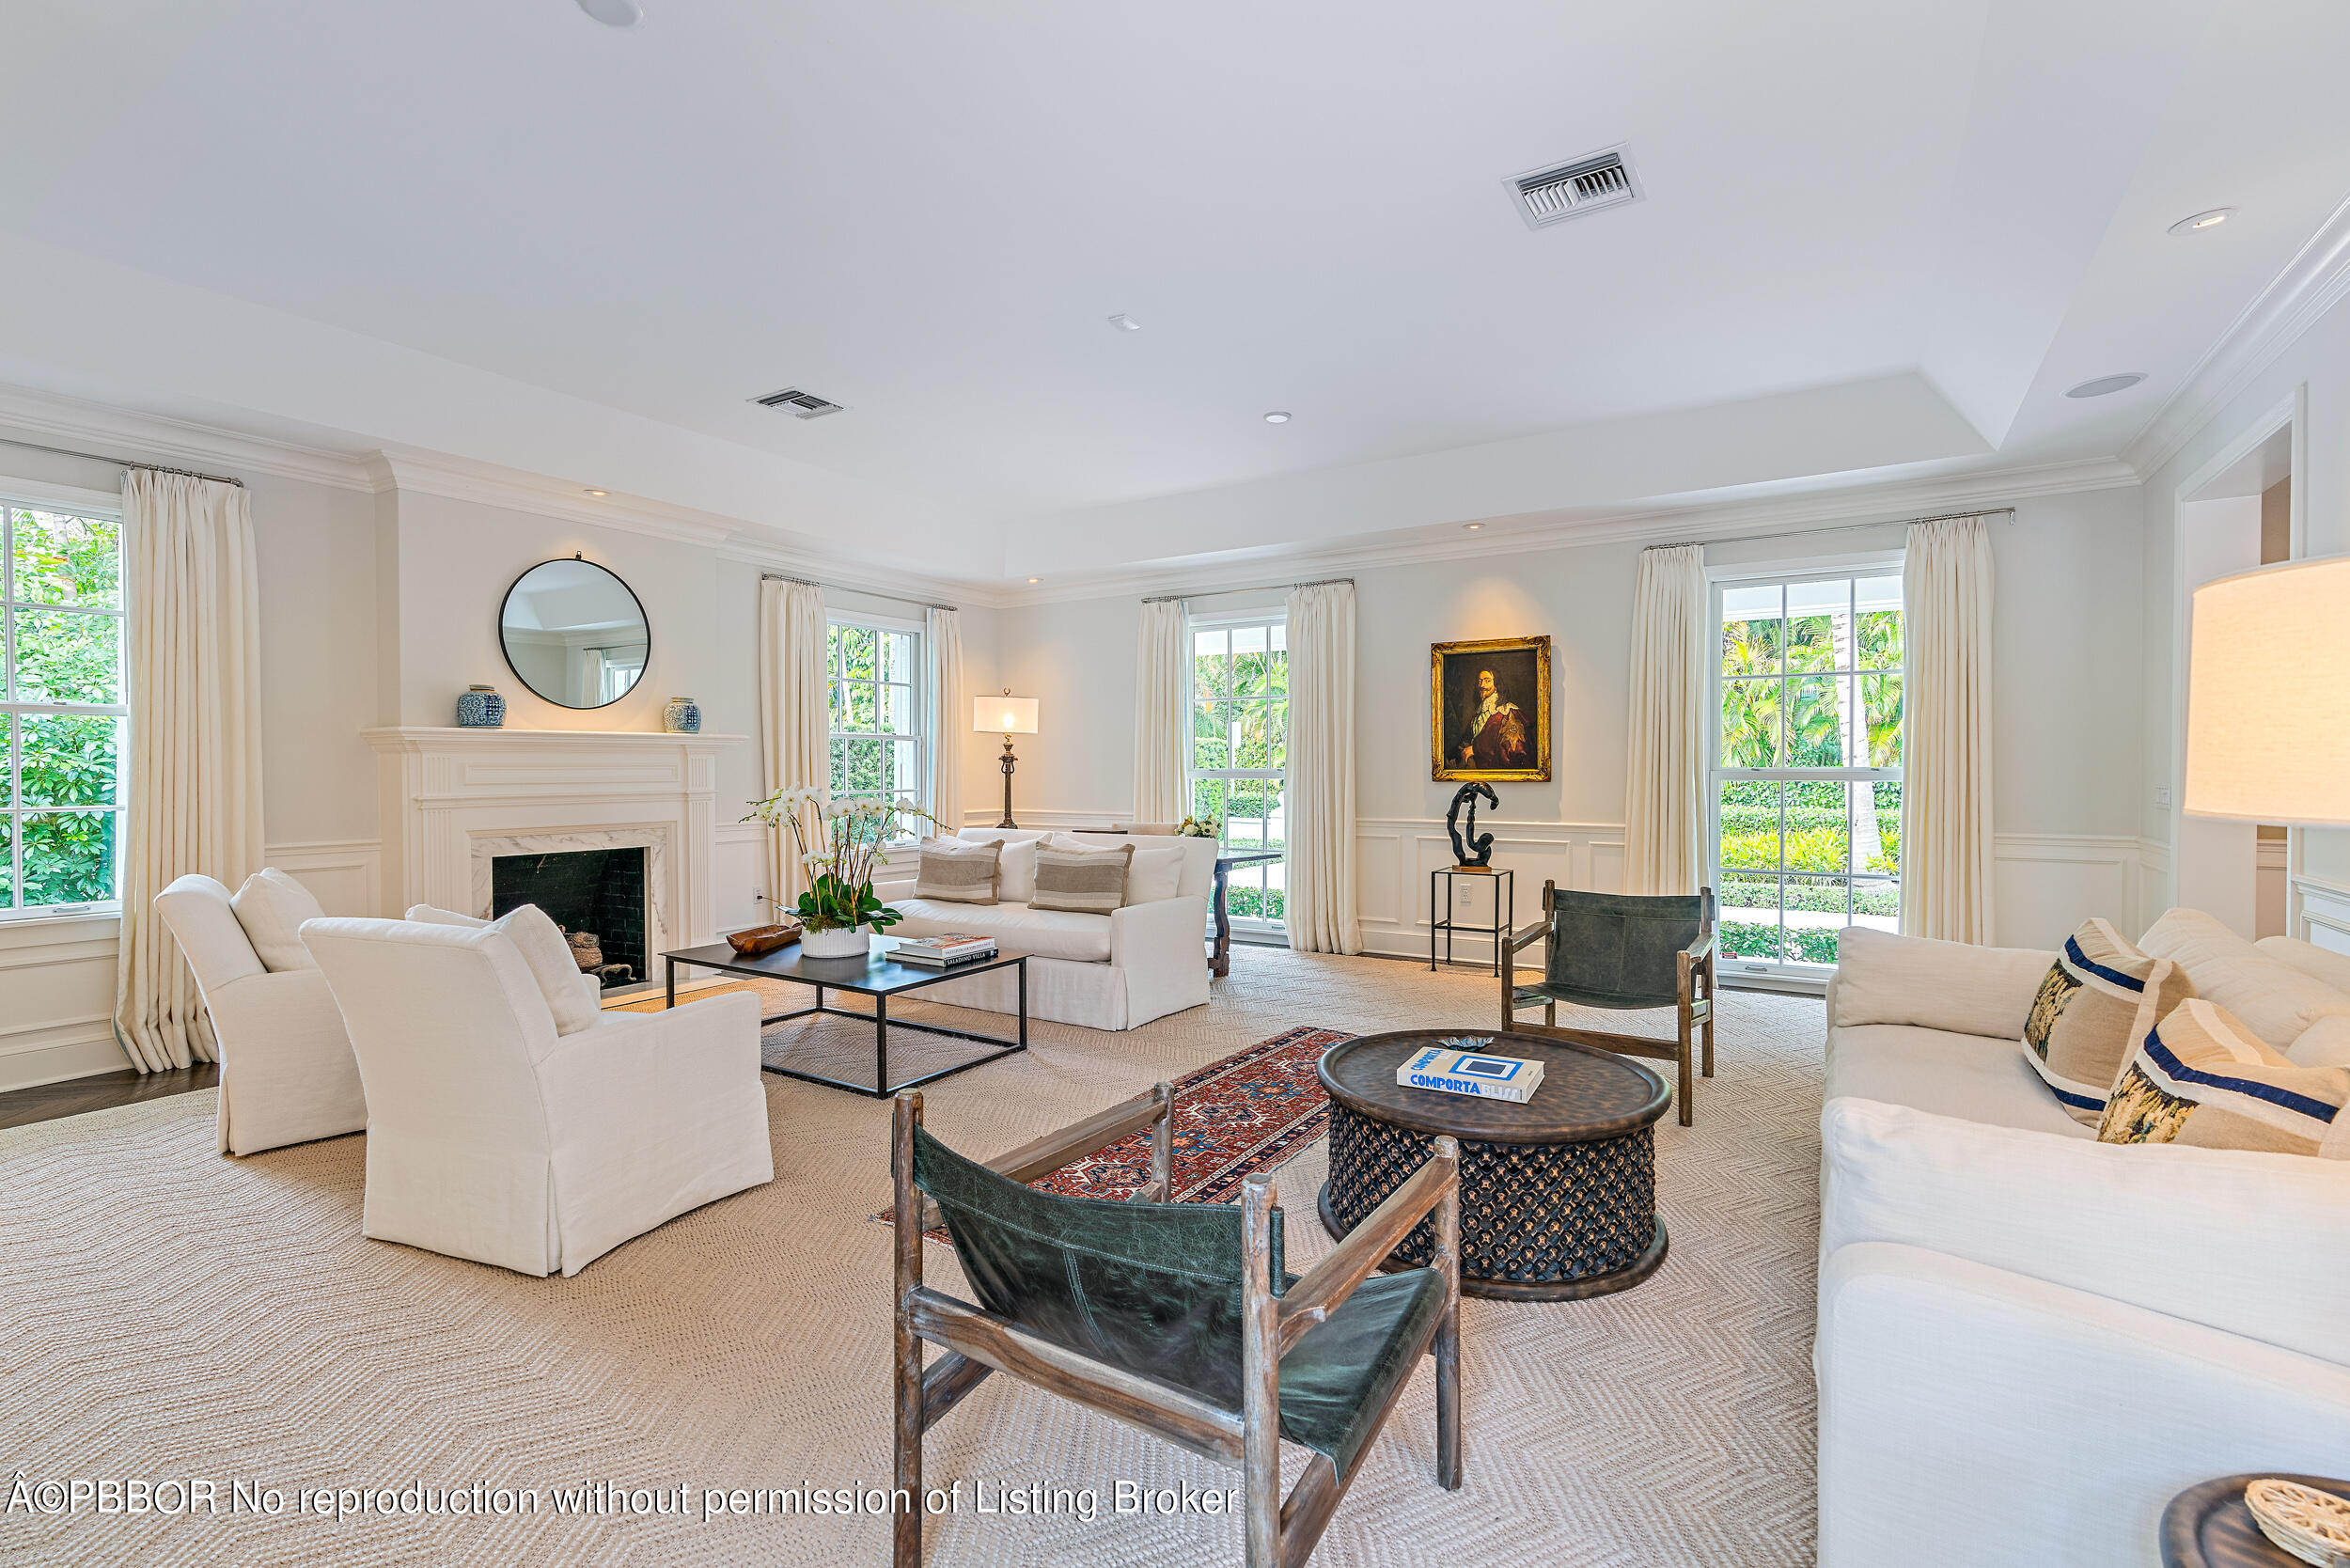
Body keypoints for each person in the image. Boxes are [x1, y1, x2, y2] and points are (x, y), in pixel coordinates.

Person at [1457, 666, 1532, 770]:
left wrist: (1476, 750)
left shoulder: (1509, 713)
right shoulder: (1477, 716)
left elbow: (1515, 752)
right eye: (1480, 681)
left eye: (1487, 681)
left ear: (1496, 685)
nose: (1482, 685)